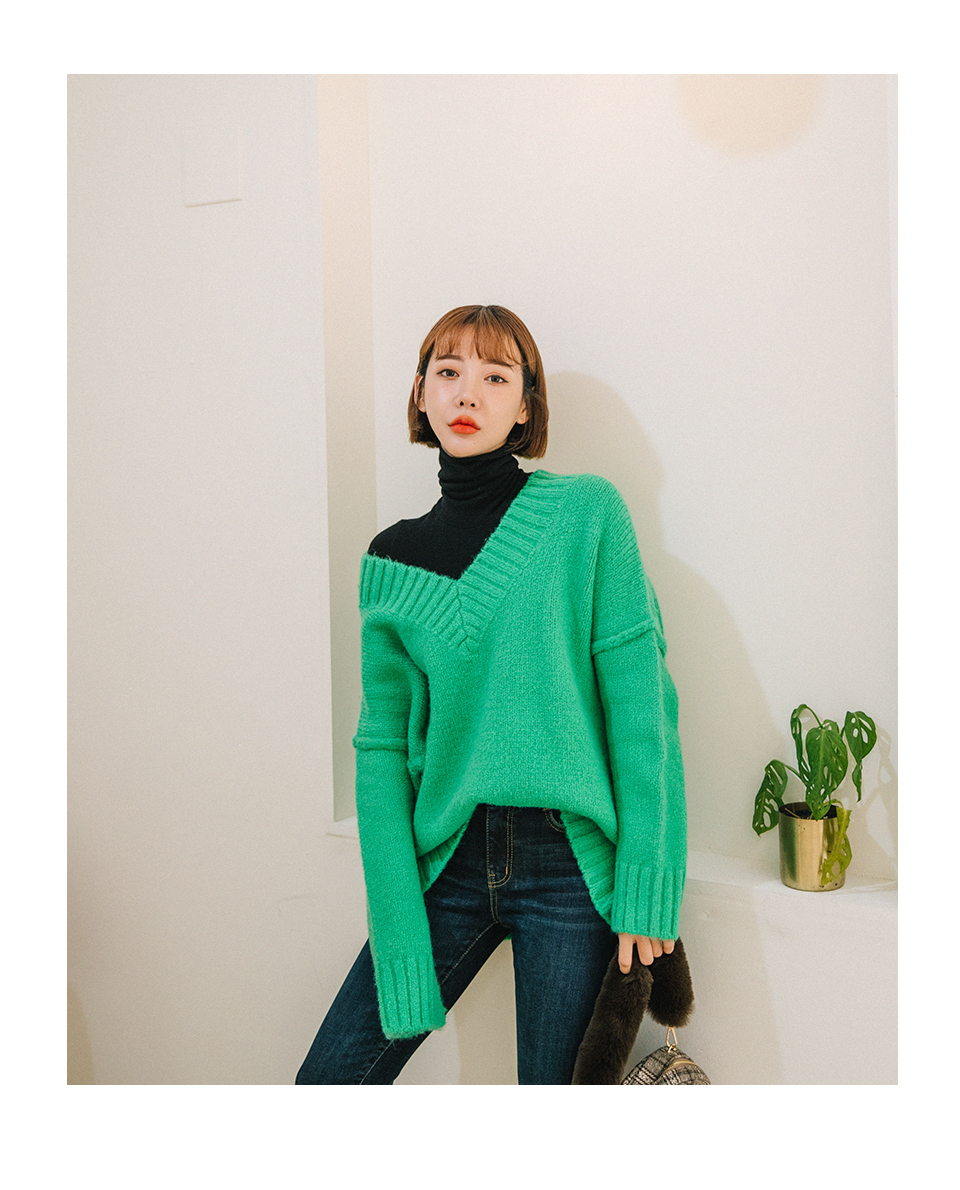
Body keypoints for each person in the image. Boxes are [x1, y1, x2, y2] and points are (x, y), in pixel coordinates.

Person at [296, 305, 686, 1085]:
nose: (467, 392)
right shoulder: (392, 561)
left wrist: (647, 887)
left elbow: (642, 711)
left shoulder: (588, 514)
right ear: (420, 394)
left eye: (496, 376)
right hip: (449, 861)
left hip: (567, 866)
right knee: (326, 1084)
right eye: (447, 372)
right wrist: (397, 932)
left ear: (526, 408)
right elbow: (381, 753)